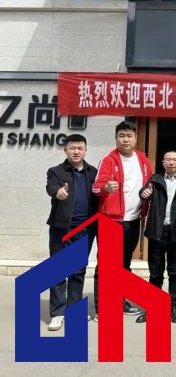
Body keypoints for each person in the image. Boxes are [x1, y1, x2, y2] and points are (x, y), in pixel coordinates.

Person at [92, 120, 153, 318]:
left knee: (125, 265)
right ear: (116, 138)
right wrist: (105, 188)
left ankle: (120, 301)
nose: (125, 140)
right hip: (111, 220)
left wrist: (150, 193)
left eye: (129, 136)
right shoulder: (108, 160)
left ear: (135, 138)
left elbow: (149, 184)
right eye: (122, 136)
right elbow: (95, 187)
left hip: (133, 219)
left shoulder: (143, 160)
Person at [45, 134, 97, 331]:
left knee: (78, 271)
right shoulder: (56, 171)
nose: (76, 151)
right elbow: (51, 187)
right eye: (72, 148)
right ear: (65, 150)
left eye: (80, 148)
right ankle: (57, 314)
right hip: (62, 227)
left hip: (85, 229)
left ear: (85, 150)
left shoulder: (93, 172)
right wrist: (58, 192)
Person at [135, 151, 176, 324]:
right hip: (157, 231)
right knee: (155, 272)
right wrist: (144, 193)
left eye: (175, 159)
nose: (171, 162)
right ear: (163, 162)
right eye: (168, 159)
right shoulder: (155, 179)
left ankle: (174, 307)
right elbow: (144, 192)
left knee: (175, 272)